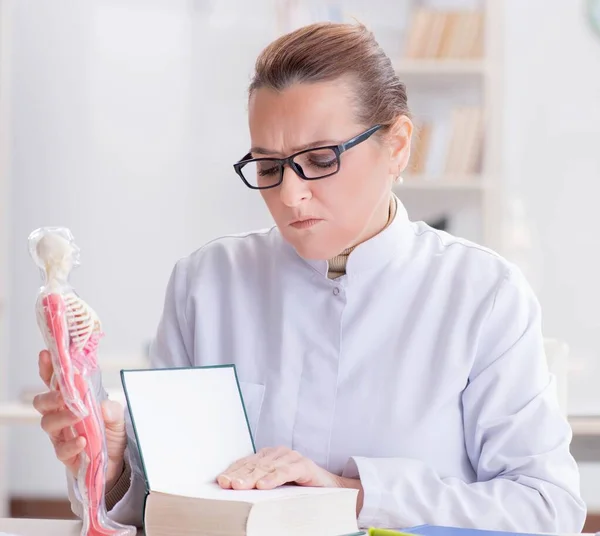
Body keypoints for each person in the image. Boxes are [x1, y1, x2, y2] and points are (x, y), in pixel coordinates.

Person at [33, 21, 586, 532]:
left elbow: (548, 506)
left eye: (320, 159)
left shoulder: (483, 294)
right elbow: (160, 506)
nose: (290, 195)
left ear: (396, 146)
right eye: (268, 167)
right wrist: (111, 469)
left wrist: (350, 493)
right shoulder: (206, 283)